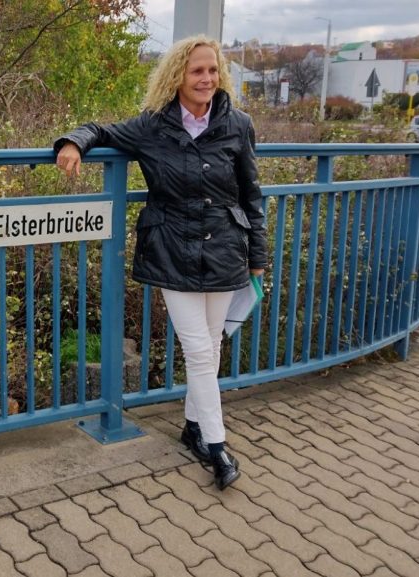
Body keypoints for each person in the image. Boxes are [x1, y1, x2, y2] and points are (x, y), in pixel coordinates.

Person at [54, 35, 267, 491]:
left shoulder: (238, 123)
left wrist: (258, 258)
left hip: (227, 249)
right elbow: (102, 131)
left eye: (213, 70)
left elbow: (252, 195)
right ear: (177, 76)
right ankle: (217, 445)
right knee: (198, 349)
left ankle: (193, 426)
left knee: (211, 345)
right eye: (197, 71)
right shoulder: (153, 126)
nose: (207, 79)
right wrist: (73, 142)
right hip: (174, 250)